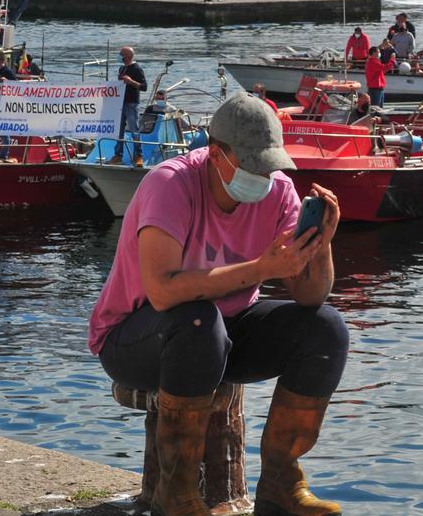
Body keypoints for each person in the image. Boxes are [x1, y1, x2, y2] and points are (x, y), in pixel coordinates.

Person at [88, 93, 347, 516]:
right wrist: (263, 267)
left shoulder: (278, 190)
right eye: (250, 162)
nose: (261, 174)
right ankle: (177, 494)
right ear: (215, 153)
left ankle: (281, 484)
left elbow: (310, 295)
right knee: (196, 321)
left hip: (220, 333)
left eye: (268, 163)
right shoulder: (170, 184)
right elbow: (163, 292)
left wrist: (321, 247)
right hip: (133, 338)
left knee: (326, 328)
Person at [112, 46, 148, 167]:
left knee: (134, 130)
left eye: (121, 54)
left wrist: (131, 82)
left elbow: (144, 87)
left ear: (127, 56)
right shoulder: (122, 68)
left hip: (132, 103)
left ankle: (138, 155)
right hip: (119, 104)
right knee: (119, 131)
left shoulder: (137, 68)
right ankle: (118, 155)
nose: (119, 55)